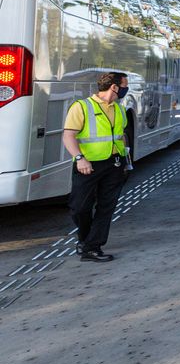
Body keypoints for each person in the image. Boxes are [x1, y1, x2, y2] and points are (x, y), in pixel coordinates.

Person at [61, 71, 130, 262]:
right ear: (114, 87)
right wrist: (79, 158)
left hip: (115, 163)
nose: (126, 89)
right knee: (79, 207)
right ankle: (85, 240)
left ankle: (92, 247)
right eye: (125, 86)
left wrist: (126, 160)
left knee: (106, 207)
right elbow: (68, 136)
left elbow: (121, 136)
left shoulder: (119, 109)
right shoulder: (82, 106)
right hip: (87, 165)